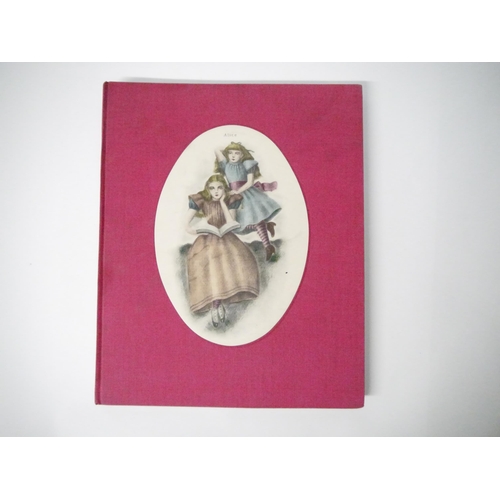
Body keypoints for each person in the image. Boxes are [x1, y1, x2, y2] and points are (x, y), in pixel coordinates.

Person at [186, 174, 259, 328]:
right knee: (210, 268)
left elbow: (231, 222)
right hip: (206, 239)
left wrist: (222, 203)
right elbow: (186, 224)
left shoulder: (230, 200)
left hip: (225, 237)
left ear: (224, 189)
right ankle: (215, 306)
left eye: (219, 188)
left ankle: (218, 304)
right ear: (207, 189)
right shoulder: (201, 200)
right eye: (212, 188)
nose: (216, 191)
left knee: (231, 264)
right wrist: (194, 230)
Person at [214, 142, 281, 261]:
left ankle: (268, 246)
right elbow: (217, 149)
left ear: (242, 155)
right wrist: (231, 146)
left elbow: (250, 182)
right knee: (235, 226)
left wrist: (237, 191)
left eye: (237, 153)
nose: (233, 155)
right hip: (233, 197)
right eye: (230, 153)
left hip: (247, 194)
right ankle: (266, 226)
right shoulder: (225, 165)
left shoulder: (247, 164)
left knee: (253, 219)